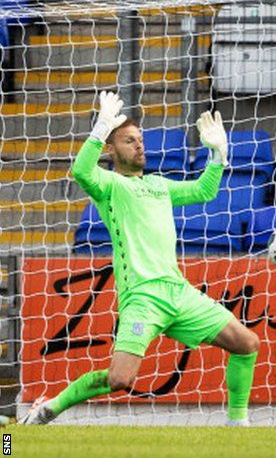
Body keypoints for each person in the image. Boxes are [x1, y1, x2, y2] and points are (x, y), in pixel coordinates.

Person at [21, 91, 260, 426]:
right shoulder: (110, 186)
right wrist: (102, 126)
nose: (139, 146)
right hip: (143, 298)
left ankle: (238, 425)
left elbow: (204, 191)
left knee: (246, 343)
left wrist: (218, 155)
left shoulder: (159, 186)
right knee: (120, 380)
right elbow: (81, 171)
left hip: (179, 292)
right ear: (112, 149)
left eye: (140, 139)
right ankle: (51, 406)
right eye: (129, 141)